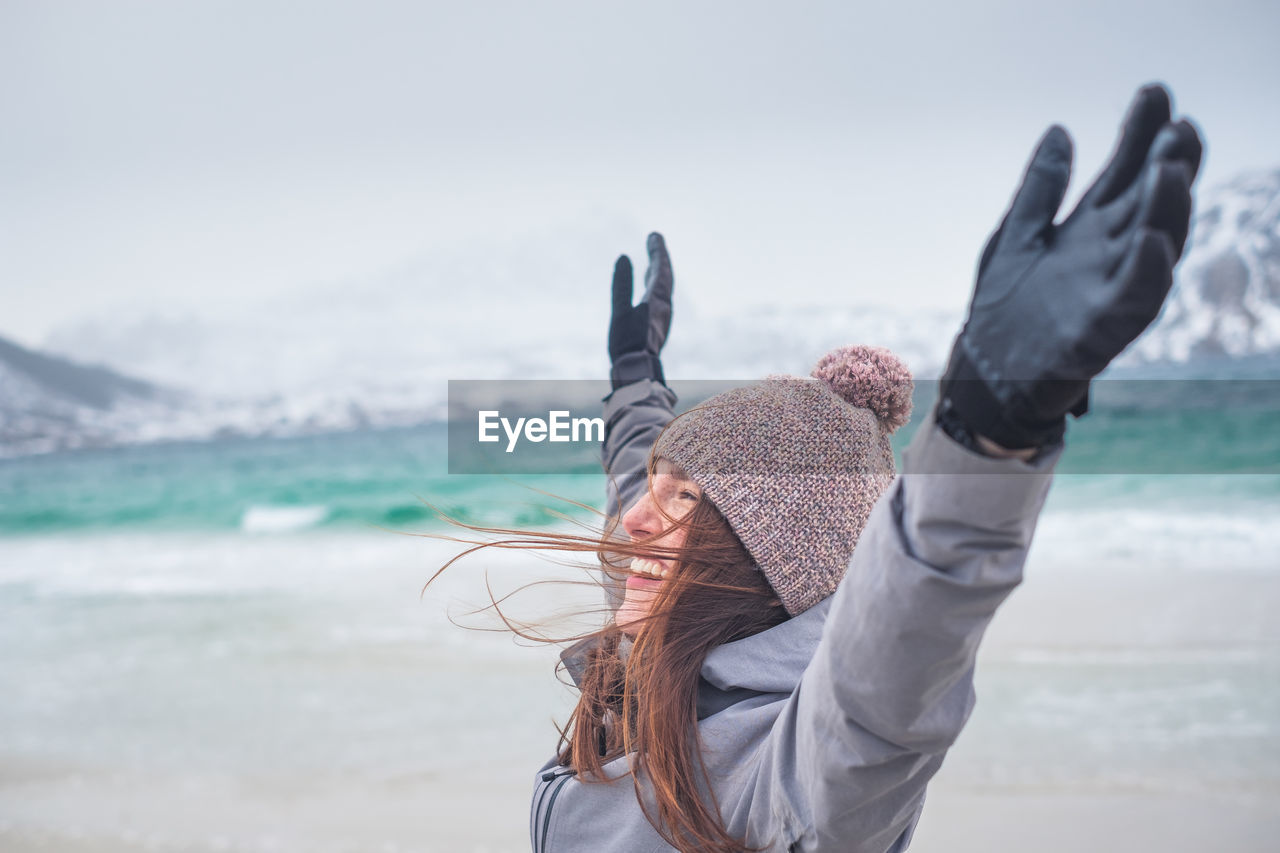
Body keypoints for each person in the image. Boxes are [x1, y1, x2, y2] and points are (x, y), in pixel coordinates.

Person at [454, 84, 1201, 853]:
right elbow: (635, 496)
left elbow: (907, 641)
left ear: (765, 553)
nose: (638, 518)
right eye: (656, 485)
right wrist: (633, 379)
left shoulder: (799, 770)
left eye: (684, 498)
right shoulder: (673, 626)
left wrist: (989, 428)